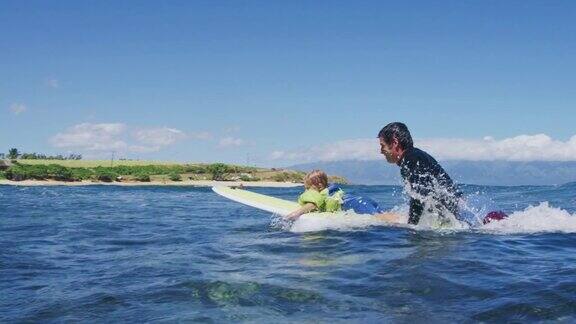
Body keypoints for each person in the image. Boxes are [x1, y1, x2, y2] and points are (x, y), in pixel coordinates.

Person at [375, 122, 507, 226]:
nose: (381, 151)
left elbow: (418, 196)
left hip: (469, 212)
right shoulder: (415, 156)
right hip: (470, 208)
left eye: (382, 145)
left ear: (395, 142)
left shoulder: (410, 159)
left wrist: (411, 227)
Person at [286, 170, 386, 220]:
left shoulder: (314, 192)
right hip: (361, 200)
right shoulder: (328, 189)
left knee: (384, 219)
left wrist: (295, 214)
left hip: (354, 204)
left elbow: (313, 203)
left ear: (309, 185)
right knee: (386, 215)